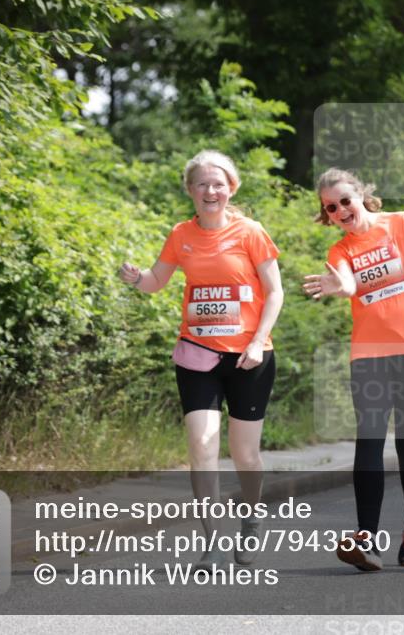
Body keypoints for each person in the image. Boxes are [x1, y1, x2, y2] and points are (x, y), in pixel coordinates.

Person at [118, 150, 283, 568]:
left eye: (218, 184)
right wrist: (138, 278)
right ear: (190, 190)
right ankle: (211, 538)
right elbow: (158, 280)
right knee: (201, 446)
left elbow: (275, 292)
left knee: (244, 455)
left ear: (231, 189)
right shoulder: (181, 234)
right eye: (202, 184)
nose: (211, 191)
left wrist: (257, 340)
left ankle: (250, 523)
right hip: (197, 354)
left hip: (250, 357)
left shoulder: (251, 232)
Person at [302, 168, 404, 571]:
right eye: (331, 208)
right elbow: (351, 285)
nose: (340, 211)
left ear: (362, 196)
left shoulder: (403, 225)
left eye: (345, 201)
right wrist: (340, 287)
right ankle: (366, 538)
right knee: (369, 440)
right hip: (370, 354)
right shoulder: (340, 252)